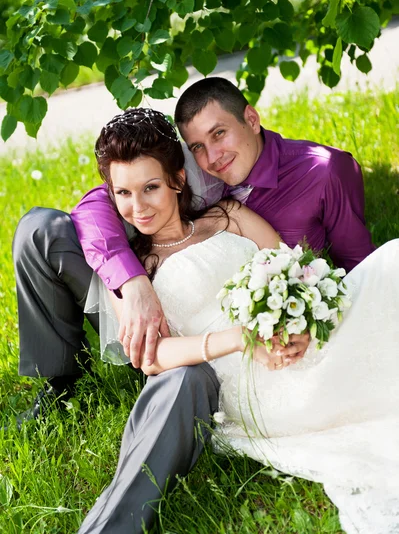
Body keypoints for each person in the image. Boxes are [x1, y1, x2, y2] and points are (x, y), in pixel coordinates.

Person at [10, 78, 374, 528]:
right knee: (40, 229)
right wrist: (233, 334)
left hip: (280, 349)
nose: (138, 208)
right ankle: (61, 387)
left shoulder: (229, 214)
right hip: (217, 372)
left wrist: (291, 321)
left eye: (151, 189)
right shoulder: (135, 271)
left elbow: (287, 268)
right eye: (123, 194)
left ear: (178, 181)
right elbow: (154, 357)